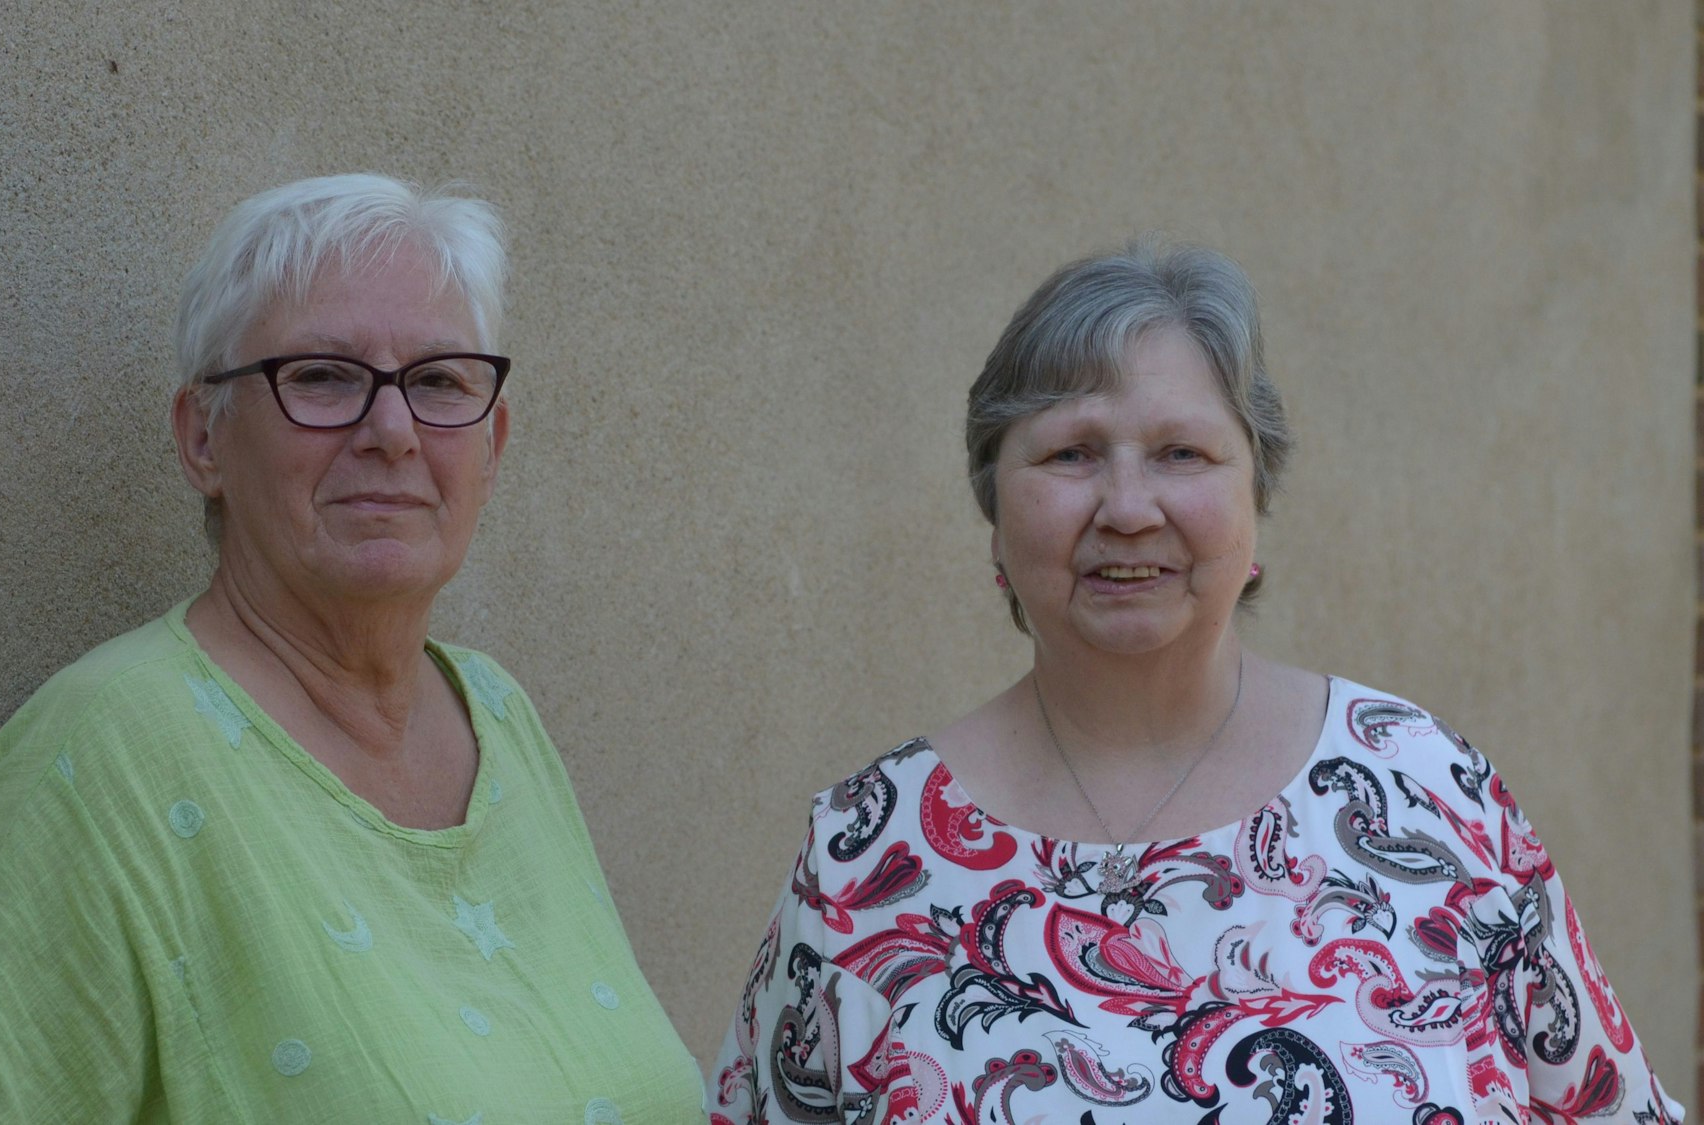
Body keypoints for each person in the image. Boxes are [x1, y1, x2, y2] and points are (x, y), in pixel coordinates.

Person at [711, 239, 1681, 1123]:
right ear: (993, 512)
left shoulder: (1420, 788)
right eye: (1070, 453)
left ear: (1251, 501)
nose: (1127, 508)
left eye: (1180, 453)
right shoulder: (866, 853)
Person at [0, 173, 704, 1123]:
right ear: (202, 440)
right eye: (322, 377)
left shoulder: (500, 715)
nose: (392, 431)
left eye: (437, 382)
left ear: (494, 444)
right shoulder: (103, 760)